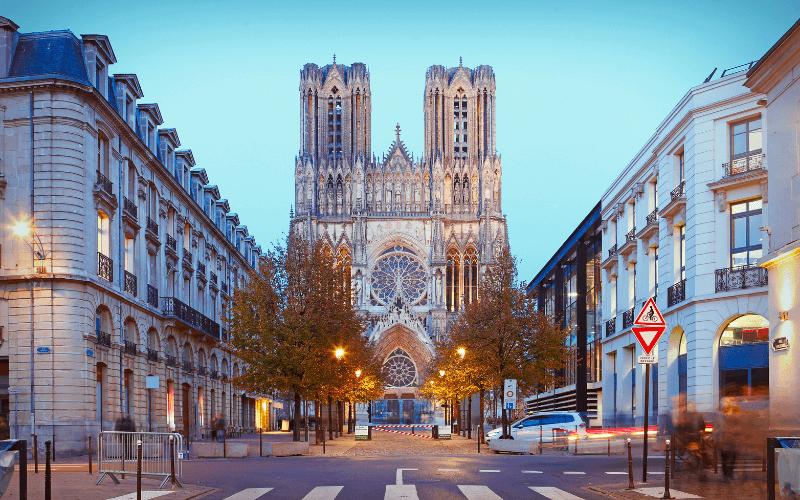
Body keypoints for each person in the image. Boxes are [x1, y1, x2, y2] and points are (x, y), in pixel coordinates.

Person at [712, 399, 741, 480]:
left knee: (733, 457)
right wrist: (715, 439)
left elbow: (739, 426)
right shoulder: (719, 416)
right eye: (724, 405)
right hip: (723, 440)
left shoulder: (735, 415)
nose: (725, 407)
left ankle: (730, 473)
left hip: (733, 439)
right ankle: (726, 474)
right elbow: (715, 428)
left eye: (727, 405)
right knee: (724, 457)